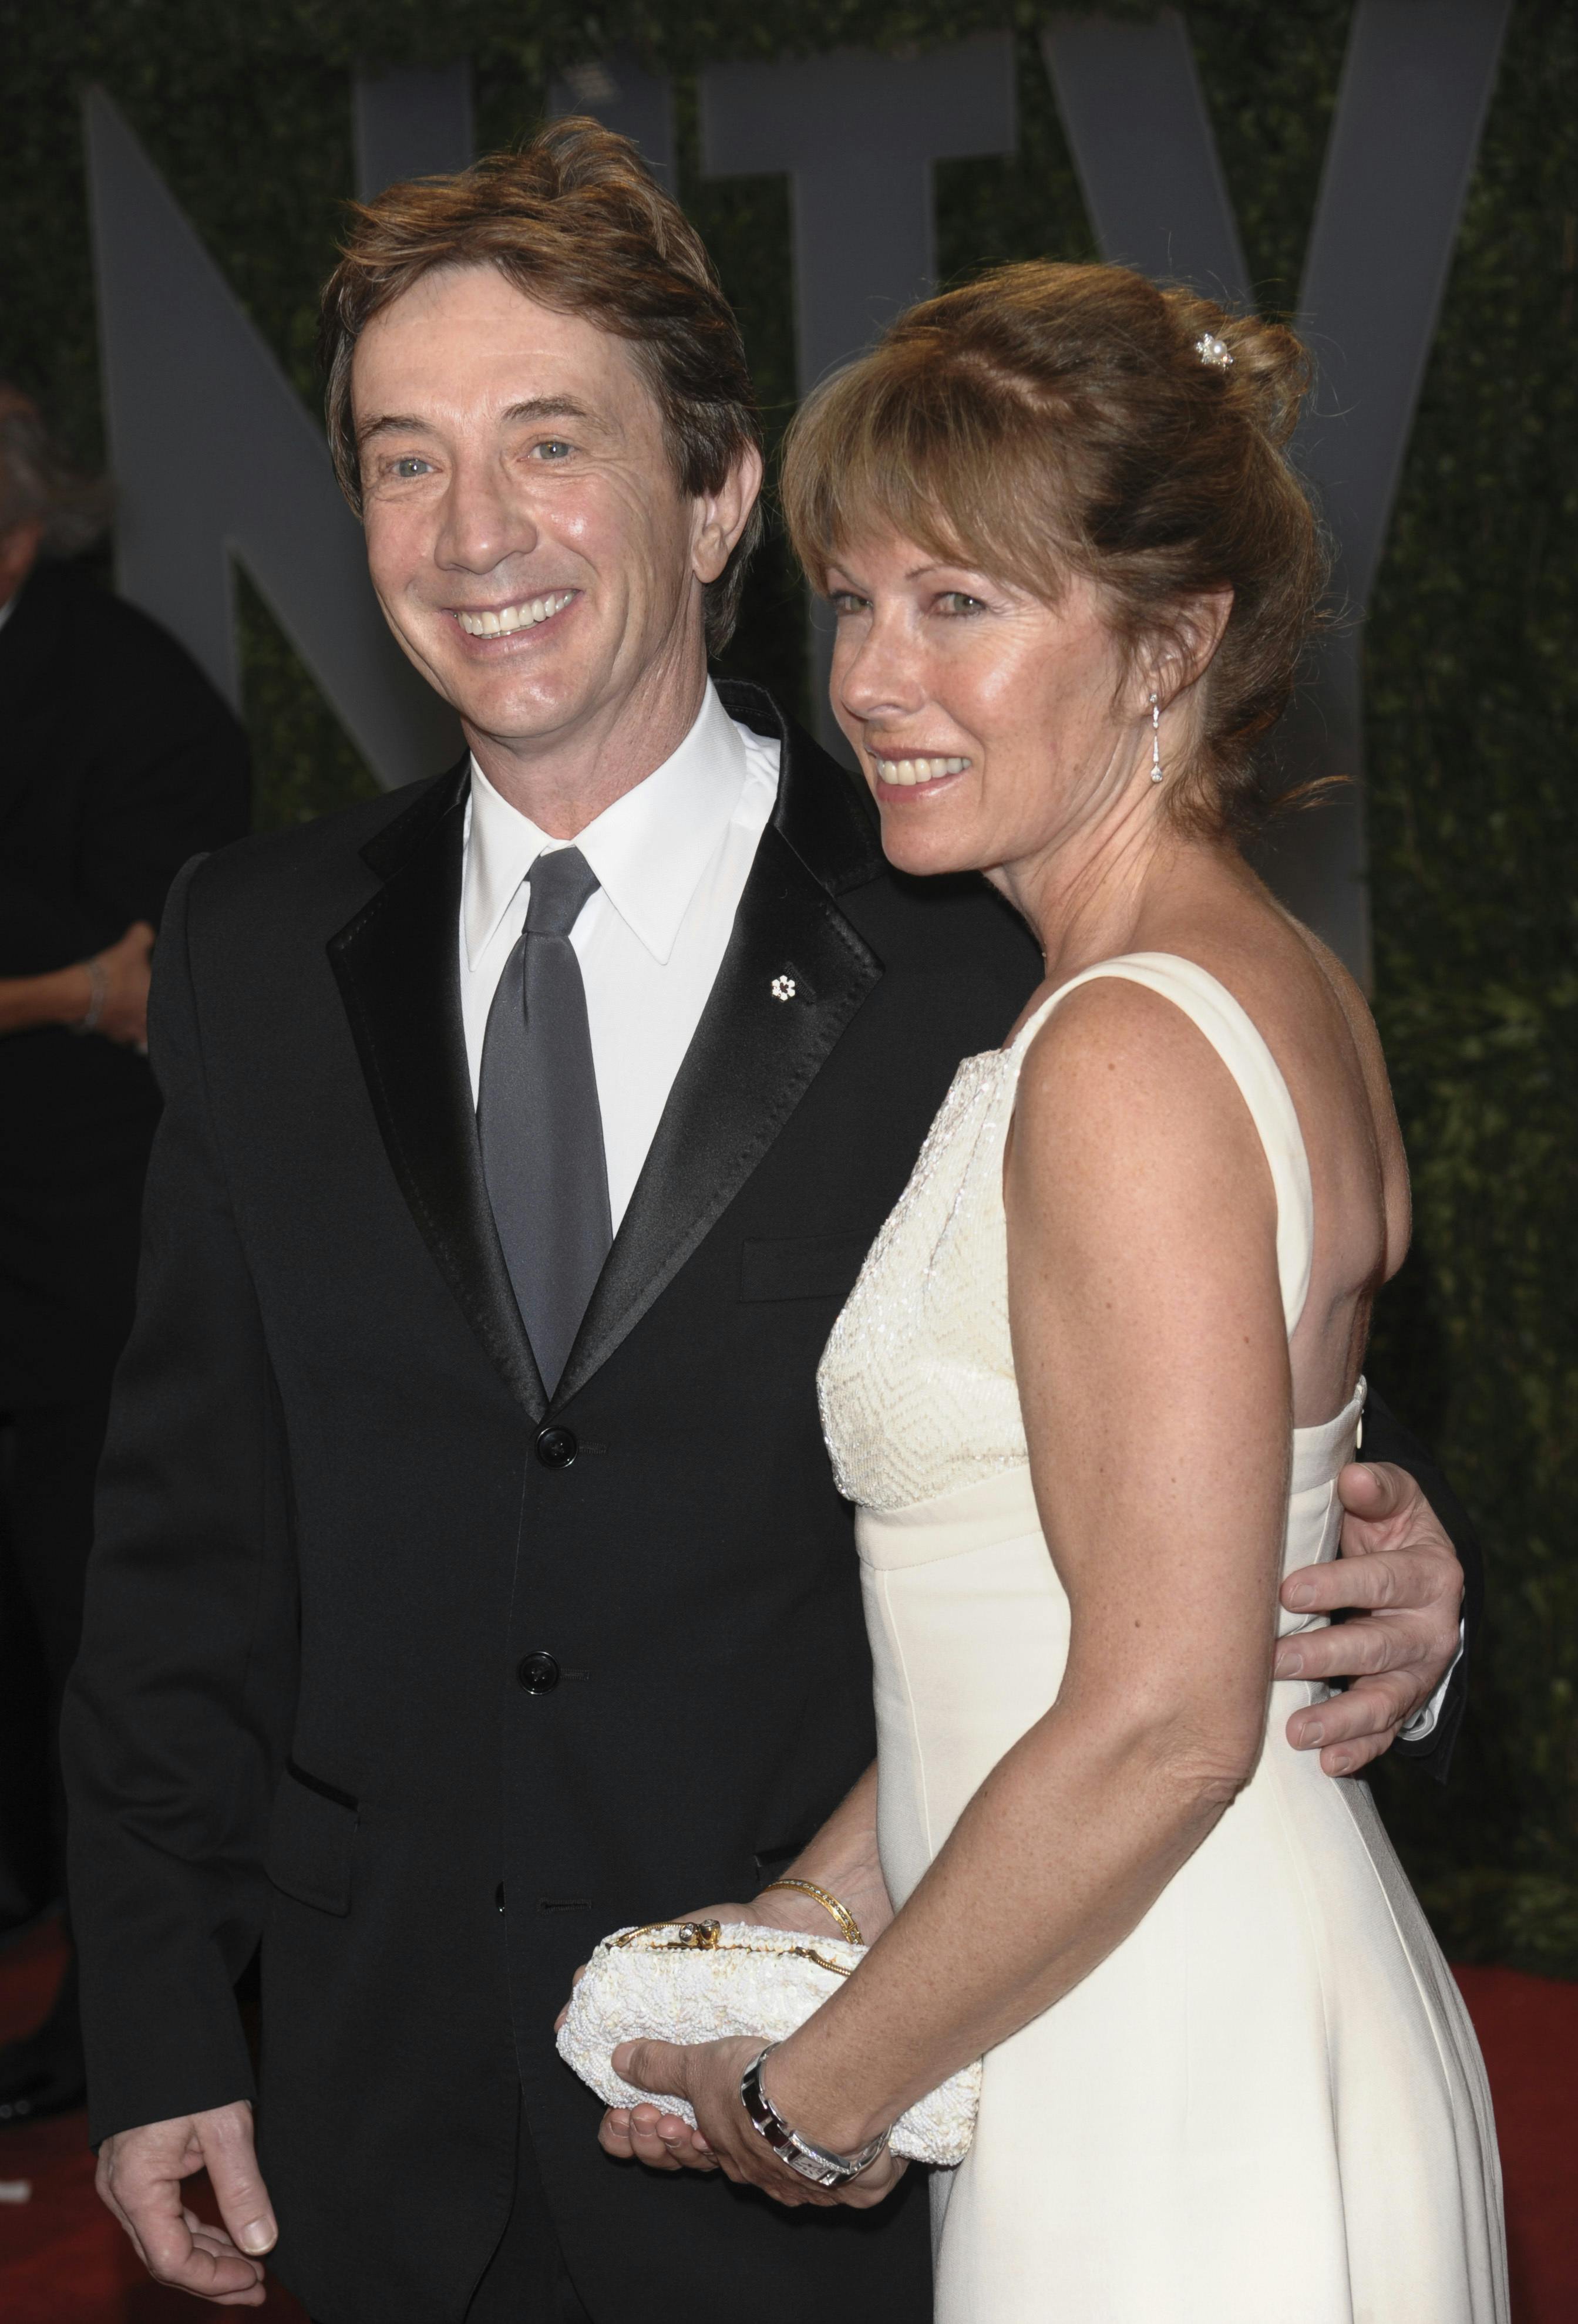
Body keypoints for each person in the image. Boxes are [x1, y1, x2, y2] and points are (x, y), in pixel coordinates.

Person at [64, 130, 1473, 2322]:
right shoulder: (248, 947)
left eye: (553, 444)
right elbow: (181, 1541)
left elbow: (1229, 1435)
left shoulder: (985, 940)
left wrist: (1407, 1594)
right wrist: (156, 2014)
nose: (479, 535)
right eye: (406, 461)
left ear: (719, 499)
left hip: (884, 2125)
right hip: (381, 2101)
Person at [605, 265, 1507, 2321]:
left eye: (965, 606)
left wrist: (820, 2089)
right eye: (852, 599)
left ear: (1174, 648)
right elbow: (1039, 1614)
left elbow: (1168, 1717)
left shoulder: (1124, 1052)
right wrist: (804, 1916)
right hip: (1150, 1995)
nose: (873, 678)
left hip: (1167, 2072)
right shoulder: (1214, 986)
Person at [0, 386, 250, 2124]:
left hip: (91, 1248)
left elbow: (184, 988)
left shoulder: (131, 687)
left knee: (112, 1625)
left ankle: (134, 2026)